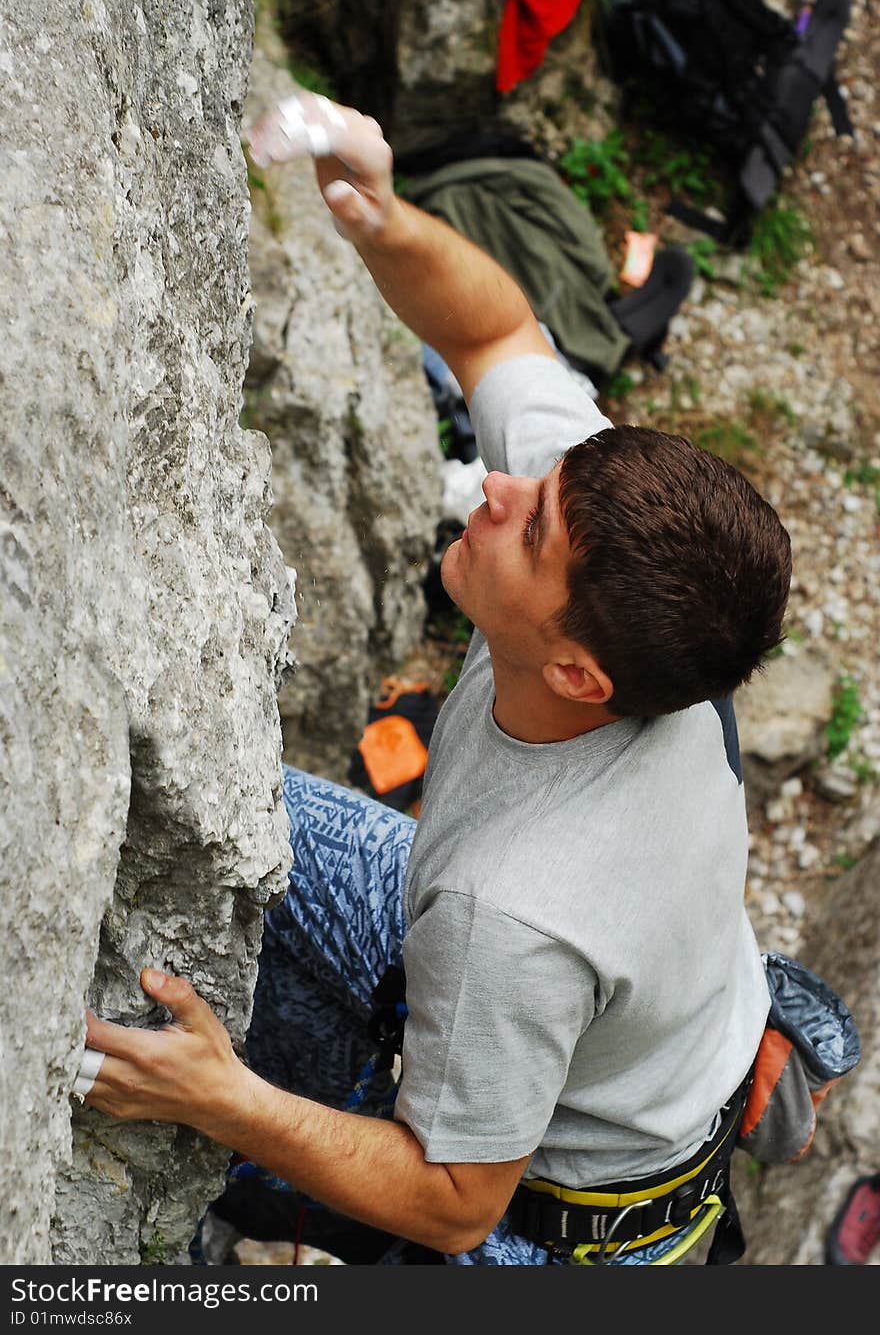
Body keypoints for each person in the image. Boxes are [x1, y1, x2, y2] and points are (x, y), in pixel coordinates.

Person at [81, 90, 792, 1266]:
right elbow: (496, 336)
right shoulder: (660, 634)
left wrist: (219, 1098)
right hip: (619, 1027)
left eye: (527, 531)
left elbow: (457, 1195)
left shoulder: (511, 909)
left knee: (195, 1123)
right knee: (207, 799)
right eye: (544, 484)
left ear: (575, 667)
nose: (496, 488)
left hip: (558, 1214)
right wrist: (377, 210)